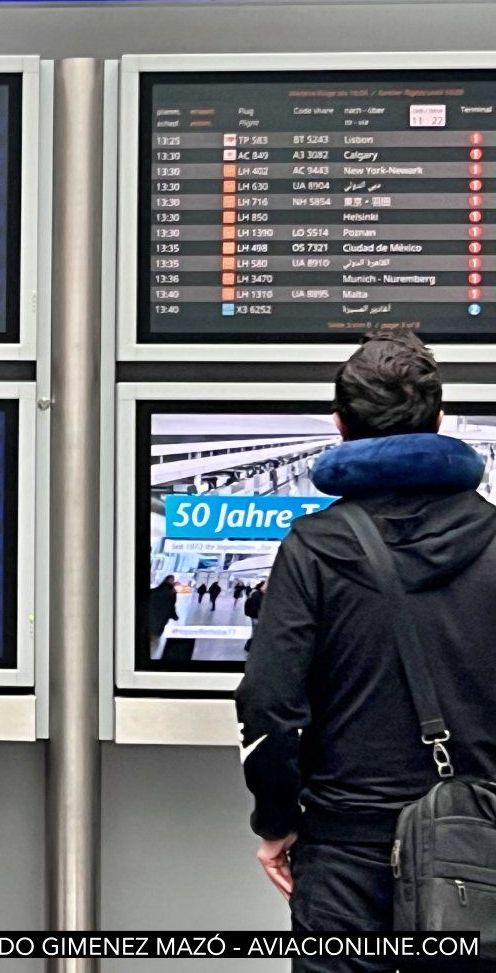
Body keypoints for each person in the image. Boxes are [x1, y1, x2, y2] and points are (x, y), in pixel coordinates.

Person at [237, 331, 496, 971]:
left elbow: (270, 705)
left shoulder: (314, 547)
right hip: (481, 849)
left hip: (348, 858)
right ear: (440, 422)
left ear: (339, 426)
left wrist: (276, 823)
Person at [147, 574, 179, 658]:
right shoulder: (172, 593)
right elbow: (171, 607)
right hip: (160, 620)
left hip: (149, 617)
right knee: (154, 641)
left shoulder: (155, 590)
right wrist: (174, 616)